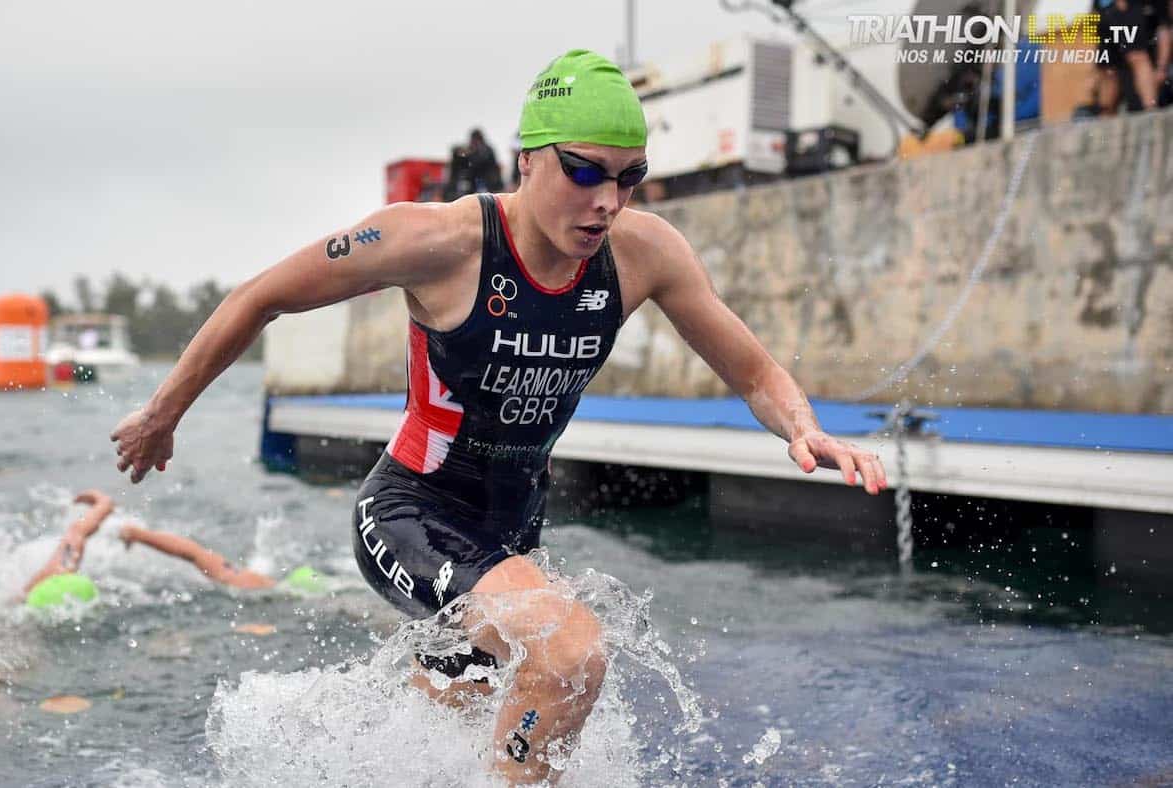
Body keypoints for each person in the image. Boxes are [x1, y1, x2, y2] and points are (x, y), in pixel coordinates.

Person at [111, 49, 887, 784]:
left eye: (628, 177)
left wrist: (800, 426)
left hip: (517, 528)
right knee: (568, 650)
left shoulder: (645, 253)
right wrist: (162, 413)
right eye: (584, 172)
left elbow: (751, 369)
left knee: (468, 715)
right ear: (529, 158)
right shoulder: (439, 241)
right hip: (413, 510)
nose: (606, 201)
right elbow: (261, 295)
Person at [119, 525, 276, 589]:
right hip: (256, 587)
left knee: (198, 555)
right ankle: (138, 534)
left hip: (267, 589)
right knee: (198, 555)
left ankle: (138, 534)